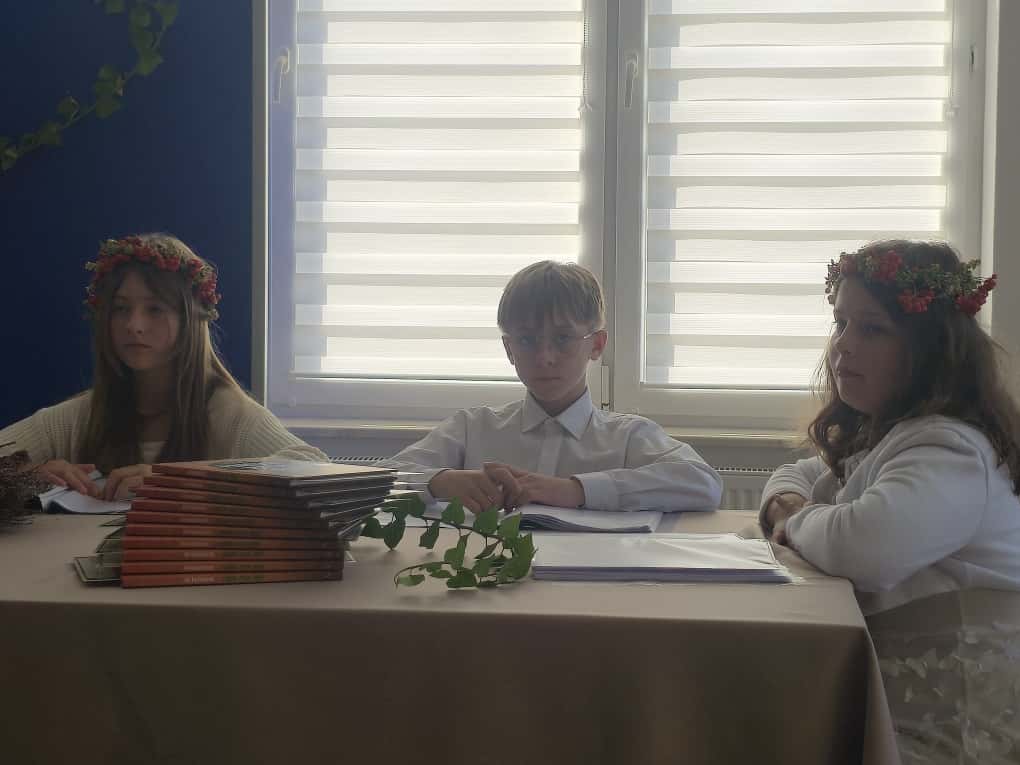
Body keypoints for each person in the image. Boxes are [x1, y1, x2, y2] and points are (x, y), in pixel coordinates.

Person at [759, 240, 1020, 763]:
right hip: (888, 703)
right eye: (840, 323)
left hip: (947, 732)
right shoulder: (887, 433)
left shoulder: (949, 450)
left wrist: (797, 518)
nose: (843, 346)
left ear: (930, 347)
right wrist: (787, 503)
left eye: (872, 329)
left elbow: (862, 547)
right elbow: (796, 474)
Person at [0, 233, 328, 501]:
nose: (135, 325)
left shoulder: (227, 414)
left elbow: (315, 469)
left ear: (189, 321)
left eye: (155, 309)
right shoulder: (79, 417)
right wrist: (30, 474)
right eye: (121, 309)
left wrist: (183, 481)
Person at [384, 260, 722, 513]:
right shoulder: (472, 428)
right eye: (527, 340)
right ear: (509, 349)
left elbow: (703, 483)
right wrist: (439, 481)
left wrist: (574, 491)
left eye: (562, 338)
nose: (545, 357)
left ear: (596, 345)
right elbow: (369, 479)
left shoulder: (627, 436)